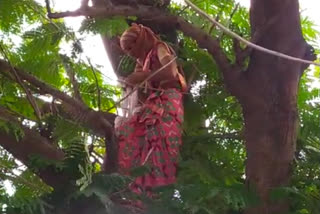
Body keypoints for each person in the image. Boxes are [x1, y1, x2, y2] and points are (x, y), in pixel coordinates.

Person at [116, 23, 187, 197]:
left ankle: (157, 190)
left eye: (132, 45)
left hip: (168, 101)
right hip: (153, 104)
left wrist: (144, 76)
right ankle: (136, 188)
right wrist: (131, 83)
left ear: (141, 39)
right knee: (136, 134)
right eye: (127, 50)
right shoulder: (142, 63)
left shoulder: (159, 48)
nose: (131, 51)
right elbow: (143, 92)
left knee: (160, 141)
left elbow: (170, 71)